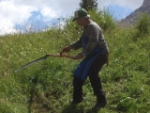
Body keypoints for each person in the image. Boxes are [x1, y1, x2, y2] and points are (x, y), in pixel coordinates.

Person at [60, 8, 109, 109]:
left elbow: (92, 42)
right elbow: (81, 42)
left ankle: (101, 100)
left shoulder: (93, 27)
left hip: (101, 53)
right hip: (92, 54)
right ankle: (77, 98)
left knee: (92, 73)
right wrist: (70, 47)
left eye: (77, 20)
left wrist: (82, 54)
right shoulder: (86, 28)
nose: (77, 22)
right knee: (78, 73)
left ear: (83, 19)